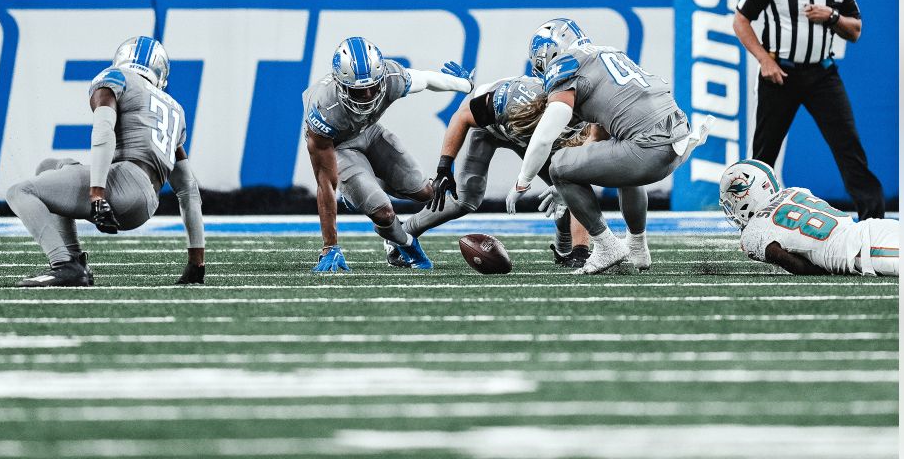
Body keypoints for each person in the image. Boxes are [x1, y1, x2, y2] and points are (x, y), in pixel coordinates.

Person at [506, 18, 710, 275]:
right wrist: (567, 185)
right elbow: (600, 138)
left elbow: (545, 136)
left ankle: (606, 245)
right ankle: (637, 246)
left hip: (648, 150)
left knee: (558, 164)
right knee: (617, 151)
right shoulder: (606, 54)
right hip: (677, 140)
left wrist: (522, 182)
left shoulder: (565, 66)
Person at [6, 36, 206, 286]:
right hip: (145, 203)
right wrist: (196, 262)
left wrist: (97, 194)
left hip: (122, 185)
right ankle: (75, 260)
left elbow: (103, 130)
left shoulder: (117, 77)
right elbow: (188, 189)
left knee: (19, 191)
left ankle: (64, 265)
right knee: (48, 167)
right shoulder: (175, 109)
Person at [732, 0, 885, 221]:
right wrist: (764, 60)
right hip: (780, 74)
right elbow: (741, 20)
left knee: (849, 149)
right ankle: (749, 221)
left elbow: (855, 30)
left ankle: (873, 222)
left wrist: (830, 16)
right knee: (763, 156)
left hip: (822, 74)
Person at [303, 37, 474, 272]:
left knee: (425, 193)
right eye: (358, 91)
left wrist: (465, 85)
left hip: (369, 133)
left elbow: (426, 79)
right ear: (340, 85)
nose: (368, 96)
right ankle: (404, 244)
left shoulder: (392, 78)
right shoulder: (324, 111)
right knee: (383, 212)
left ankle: (362, 191)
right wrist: (329, 246)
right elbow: (325, 184)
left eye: (373, 87)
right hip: (338, 146)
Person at [405, 73, 594, 269]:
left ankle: (568, 248)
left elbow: (579, 180)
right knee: (465, 200)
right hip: (490, 127)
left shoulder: (582, 113)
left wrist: (581, 250)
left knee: (569, 187)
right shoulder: (510, 101)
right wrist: (444, 167)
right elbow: (462, 117)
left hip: (532, 136)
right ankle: (404, 234)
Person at [718, 159, 898, 276]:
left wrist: (829, 268)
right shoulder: (796, 191)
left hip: (862, 252)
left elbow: (799, 267)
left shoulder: (752, 233)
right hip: (874, 228)